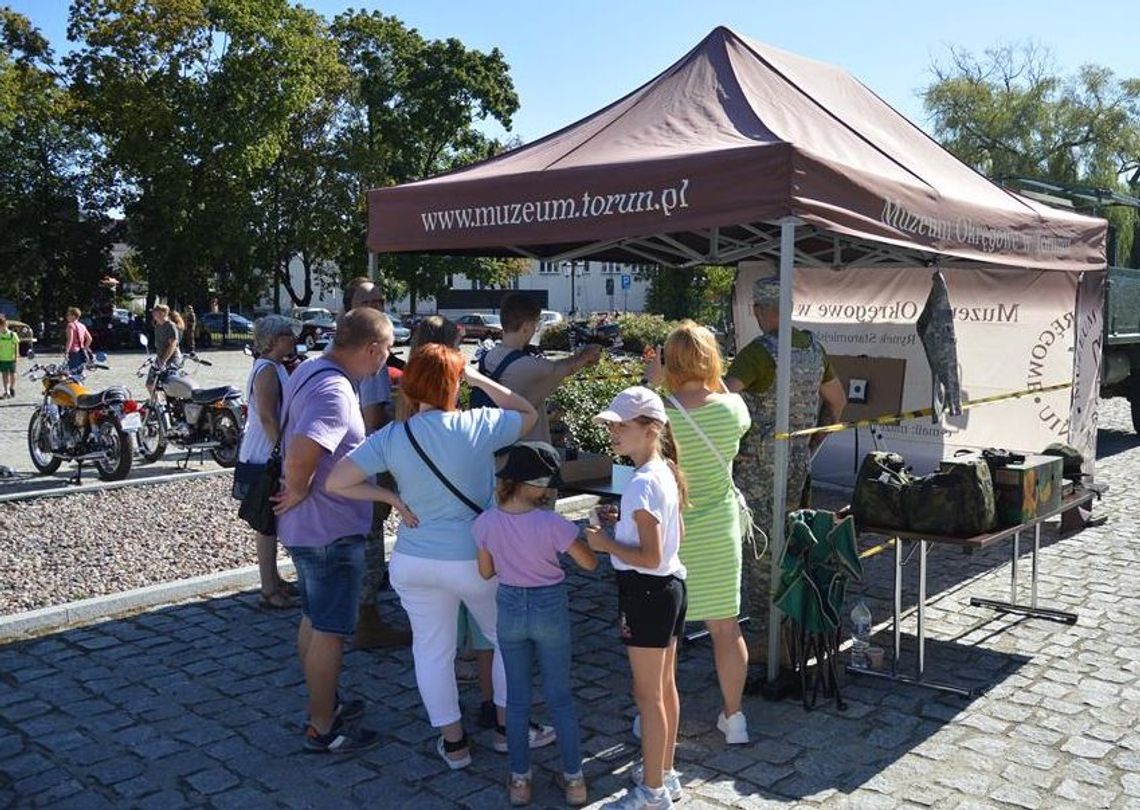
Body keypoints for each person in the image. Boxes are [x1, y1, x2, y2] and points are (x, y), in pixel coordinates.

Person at [326, 342, 537, 770]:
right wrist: (478, 378)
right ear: (453, 384)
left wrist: (389, 496)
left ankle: (454, 745)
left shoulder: (393, 436)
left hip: (414, 560)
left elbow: (338, 481)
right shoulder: (478, 424)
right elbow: (528, 413)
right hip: (474, 558)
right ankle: (504, 730)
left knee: (431, 651)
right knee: (503, 640)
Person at [272, 308, 413, 754]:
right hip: (327, 530)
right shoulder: (334, 390)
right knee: (331, 628)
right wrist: (296, 489)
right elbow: (301, 453)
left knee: (315, 617)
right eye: (387, 350)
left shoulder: (314, 368)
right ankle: (322, 727)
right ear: (372, 348)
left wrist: (297, 494)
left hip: (311, 527)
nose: (387, 360)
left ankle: (325, 700)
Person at [725, 276, 846, 666]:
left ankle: (767, 640)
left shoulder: (758, 352)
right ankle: (792, 627)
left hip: (760, 467)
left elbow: (721, 401)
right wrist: (809, 447)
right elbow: (838, 404)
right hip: (797, 464)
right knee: (792, 545)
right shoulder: (814, 348)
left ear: (760, 310)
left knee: (760, 551)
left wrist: (734, 449)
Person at [644, 320, 751, 744]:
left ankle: (655, 719)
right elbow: (724, 394)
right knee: (726, 629)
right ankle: (735, 717)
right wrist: (710, 374)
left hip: (674, 530)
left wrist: (654, 384)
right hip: (720, 529)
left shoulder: (658, 413)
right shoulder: (734, 409)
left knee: (664, 634)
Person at [475, 441, 597, 807]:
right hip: (550, 608)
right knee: (560, 697)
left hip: (510, 606)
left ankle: (520, 781)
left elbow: (485, 572)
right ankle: (575, 781)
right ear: (541, 486)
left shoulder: (485, 522)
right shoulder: (553, 523)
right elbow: (589, 564)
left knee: (516, 701)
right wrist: (591, 538)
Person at [585, 387, 687, 810]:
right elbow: (654, 542)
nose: (613, 432)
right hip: (669, 588)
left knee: (648, 697)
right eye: (612, 424)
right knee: (663, 689)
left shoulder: (642, 483)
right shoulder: (660, 470)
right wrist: (621, 526)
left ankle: (652, 793)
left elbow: (646, 555)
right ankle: (663, 773)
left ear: (650, 430)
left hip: (647, 592)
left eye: (621, 425)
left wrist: (606, 543)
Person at [344, 277, 412, 649]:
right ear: (350, 308)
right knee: (369, 540)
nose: (379, 307)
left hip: (348, 465)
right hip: (369, 462)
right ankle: (367, 622)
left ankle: (353, 615)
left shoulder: (338, 348)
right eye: (370, 302)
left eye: (382, 300)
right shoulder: (370, 356)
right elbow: (374, 419)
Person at [233, 315, 300, 609]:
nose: (293, 338)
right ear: (273, 340)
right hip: (264, 455)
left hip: (263, 451)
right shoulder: (268, 371)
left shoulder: (273, 367)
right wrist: (283, 452)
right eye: (287, 334)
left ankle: (273, 580)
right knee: (266, 524)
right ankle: (268, 588)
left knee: (269, 522)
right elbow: (268, 416)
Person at [479, 293, 601, 443]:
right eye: (536, 324)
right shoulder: (529, 368)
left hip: (495, 452)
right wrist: (588, 354)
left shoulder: (488, 357)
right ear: (526, 327)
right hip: (527, 457)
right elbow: (567, 368)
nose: (535, 329)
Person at [148, 304, 183, 394]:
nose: (153, 314)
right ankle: (157, 404)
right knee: (150, 384)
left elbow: (173, 345)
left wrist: (163, 360)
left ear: (162, 313)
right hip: (160, 358)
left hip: (172, 358)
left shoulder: (170, 326)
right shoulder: (157, 326)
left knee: (168, 384)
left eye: (155, 311)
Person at [63, 307, 93, 373]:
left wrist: (66, 352)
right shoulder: (82, 325)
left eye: (68, 315)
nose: (67, 317)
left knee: (72, 373)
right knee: (80, 373)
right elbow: (89, 339)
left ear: (73, 316)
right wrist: (85, 348)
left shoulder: (70, 325)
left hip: (73, 352)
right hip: (81, 352)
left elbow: (70, 339)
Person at [0, 315, 18, 398]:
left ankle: (12, 388)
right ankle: (6, 390)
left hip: (11, 357)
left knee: (12, 374)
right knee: (4, 374)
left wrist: (16, 356)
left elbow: (16, 345)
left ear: (5, 324)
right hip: (2, 358)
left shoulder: (12, 334)